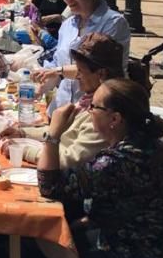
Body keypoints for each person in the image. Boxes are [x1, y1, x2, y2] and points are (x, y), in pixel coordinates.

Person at [26, 77, 163, 258]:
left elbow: (50, 188)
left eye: (95, 106)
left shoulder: (119, 162)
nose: (89, 110)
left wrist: (54, 134)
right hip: (158, 252)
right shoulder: (148, 145)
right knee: (46, 241)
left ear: (115, 119)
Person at [10, 33, 123, 167]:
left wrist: (23, 150)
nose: (77, 77)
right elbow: (59, 131)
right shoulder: (87, 100)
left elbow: (70, 161)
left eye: (81, 71)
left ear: (101, 74)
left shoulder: (102, 113)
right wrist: (21, 133)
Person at [33, 0, 131, 114]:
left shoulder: (114, 23)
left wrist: (57, 71)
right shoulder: (67, 25)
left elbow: (96, 70)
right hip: (62, 108)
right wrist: (40, 88)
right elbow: (58, 65)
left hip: (98, 112)